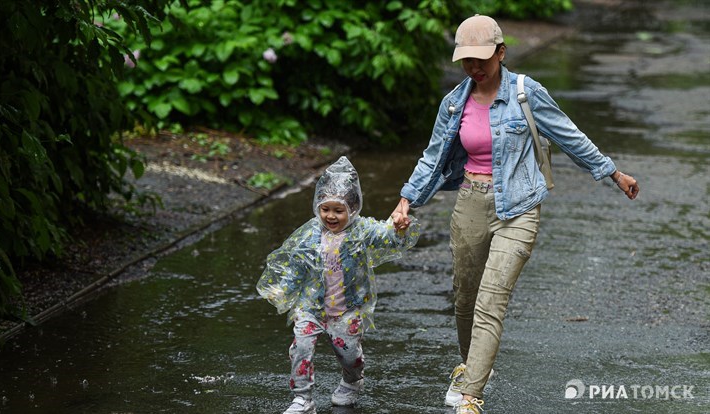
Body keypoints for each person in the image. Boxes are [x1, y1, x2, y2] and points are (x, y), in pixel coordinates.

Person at [390, 14, 639, 414]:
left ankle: (472, 397)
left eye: (482, 60)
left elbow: (568, 133)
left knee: (491, 301)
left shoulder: (526, 92)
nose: (475, 68)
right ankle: (470, 366)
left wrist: (612, 172)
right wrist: (406, 201)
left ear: (501, 53)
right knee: (465, 300)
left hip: (519, 207)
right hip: (470, 201)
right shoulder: (454, 103)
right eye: (467, 61)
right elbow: (433, 158)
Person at [257, 156, 420, 414]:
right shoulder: (311, 233)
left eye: (338, 210)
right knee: (300, 347)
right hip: (311, 306)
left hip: (347, 309)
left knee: (349, 353)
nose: (330, 216)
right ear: (317, 207)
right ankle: (302, 398)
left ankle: (352, 380)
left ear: (352, 209)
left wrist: (398, 230)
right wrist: (284, 290)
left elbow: (387, 238)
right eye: (325, 209)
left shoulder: (362, 231)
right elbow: (297, 265)